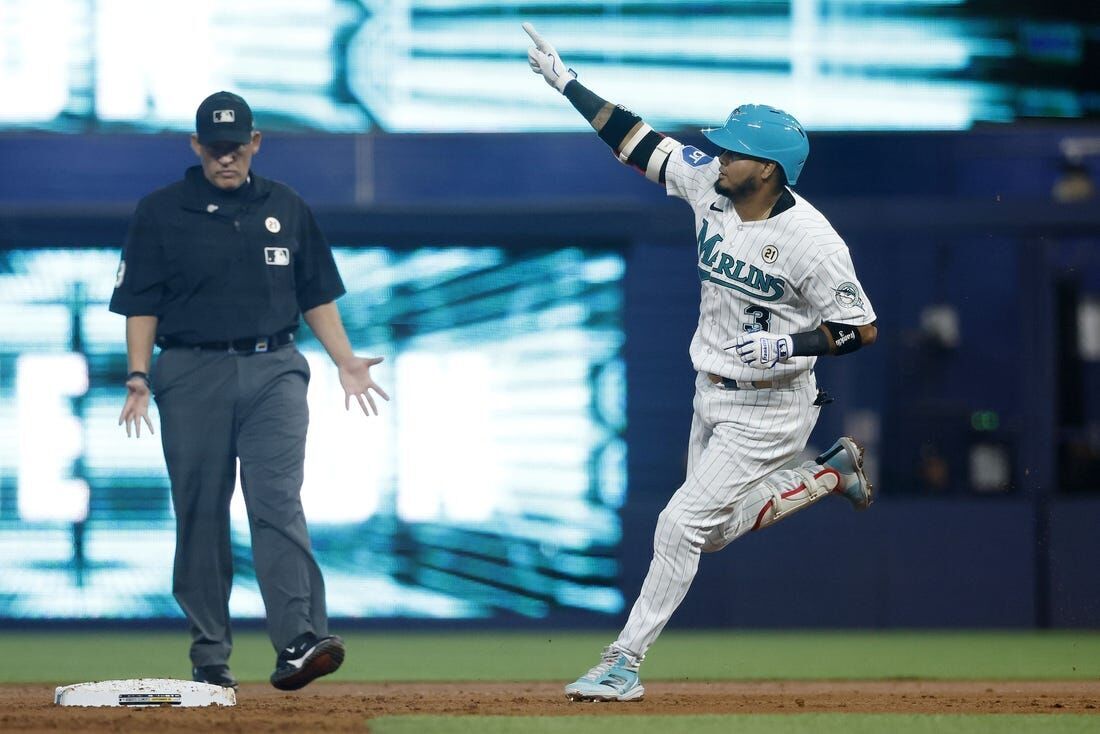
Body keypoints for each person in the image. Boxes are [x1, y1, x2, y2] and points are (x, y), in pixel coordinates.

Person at [522, 24, 879, 702]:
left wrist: (790, 345)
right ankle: (827, 477)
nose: (717, 153)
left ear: (767, 169)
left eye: (734, 150)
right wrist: (566, 82)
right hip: (710, 390)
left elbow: (861, 328)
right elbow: (634, 137)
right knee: (708, 537)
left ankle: (623, 661)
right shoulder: (708, 185)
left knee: (679, 524)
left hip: (773, 405)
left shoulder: (811, 240)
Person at [110, 91, 389, 691]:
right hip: (190, 372)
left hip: (274, 368)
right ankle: (210, 654)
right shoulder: (161, 212)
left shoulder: (286, 207)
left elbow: (315, 292)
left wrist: (345, 361)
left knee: (277, 503)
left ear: (254, 144)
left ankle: (299, 640)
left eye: (235, 147)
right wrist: (138, 375)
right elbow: (140, 306)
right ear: (197, 147)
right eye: (215, 148)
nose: (226, 159)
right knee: (202, 513)